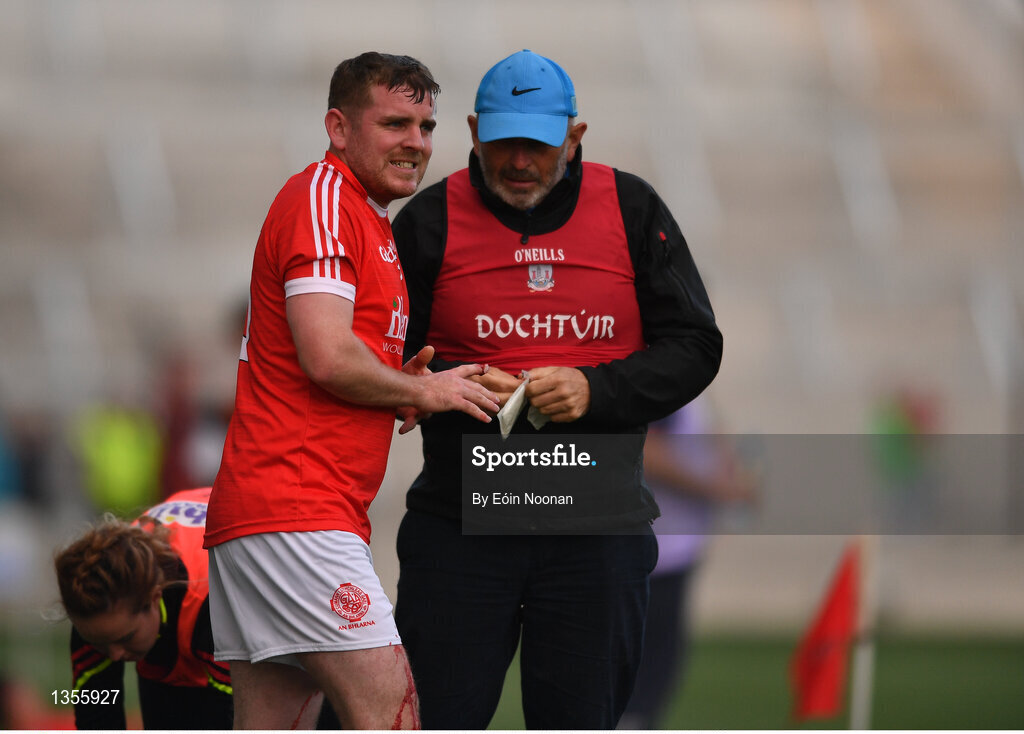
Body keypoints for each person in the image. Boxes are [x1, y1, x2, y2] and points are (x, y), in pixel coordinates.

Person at [391, 49, 723, 729]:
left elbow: (695, 346)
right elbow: (387, 362)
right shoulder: (427, 223)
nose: (519, 161)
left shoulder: (632, 209)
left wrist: (594, 390)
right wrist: (453, 382)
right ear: (475, 132)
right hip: (462, 527)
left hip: (596, 533)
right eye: (505, 142)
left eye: (538, 146)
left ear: (575, 136)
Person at [203, 52, 499, 730]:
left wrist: (402, 385)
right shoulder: (326, 201)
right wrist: (425, 395)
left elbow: (329, 359)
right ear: (338, 127)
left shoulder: (364, 216)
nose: (417, 143)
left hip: (278, 513)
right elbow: (328, 357)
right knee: (391, 716)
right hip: (297, 510)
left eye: (426, 126)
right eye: (395, 122)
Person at [618, 400, 757, 729]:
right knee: (638, 686)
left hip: (670, 553)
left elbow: (706, 434)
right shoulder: (658, 379)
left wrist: (731, 472)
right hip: (652, 556)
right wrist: (714, 488)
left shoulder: (684, 383)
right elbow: (645, 449)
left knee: (652, 679)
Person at [54, 486, 232, 730]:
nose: (115, 655)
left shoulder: (213, 606)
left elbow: (240, 717)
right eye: (99, 643)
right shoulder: (95, 611)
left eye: (126, 637)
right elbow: (96, 715)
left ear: (154, 597)